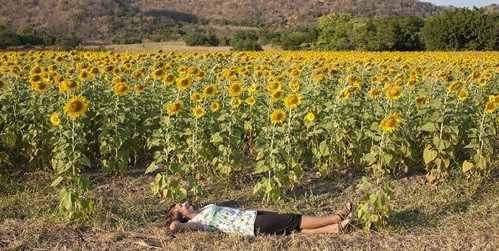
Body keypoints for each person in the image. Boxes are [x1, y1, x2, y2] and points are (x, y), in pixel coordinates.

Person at [166, 201, 353, 237]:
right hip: (251, 225)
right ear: (181, 215)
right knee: (293, 219)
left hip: (251, 215)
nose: (184, 203)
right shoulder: (197, 223)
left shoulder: (203, 209)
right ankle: (335, 217)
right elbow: (174, 227)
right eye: (180, 206)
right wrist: (176, 223)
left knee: (290, 228)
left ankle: (334, 229)